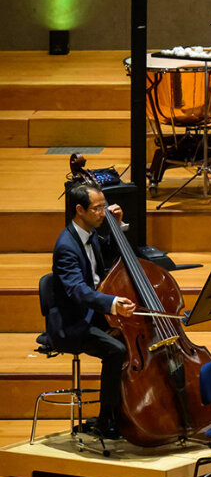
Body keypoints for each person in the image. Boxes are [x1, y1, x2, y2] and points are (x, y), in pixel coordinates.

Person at [49, 184, 134, 439]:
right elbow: (77, 291)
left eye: (103, 206)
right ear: (79, 210)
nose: (102, 212)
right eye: (97, 208)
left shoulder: (90, 233)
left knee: (130, 339)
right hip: (72, 322)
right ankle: (105, 420)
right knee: (116, 349)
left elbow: (107, 258)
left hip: (93, 312)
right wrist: (111, 302)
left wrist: (117, 228)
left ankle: (125, 409)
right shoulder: (66, 246)